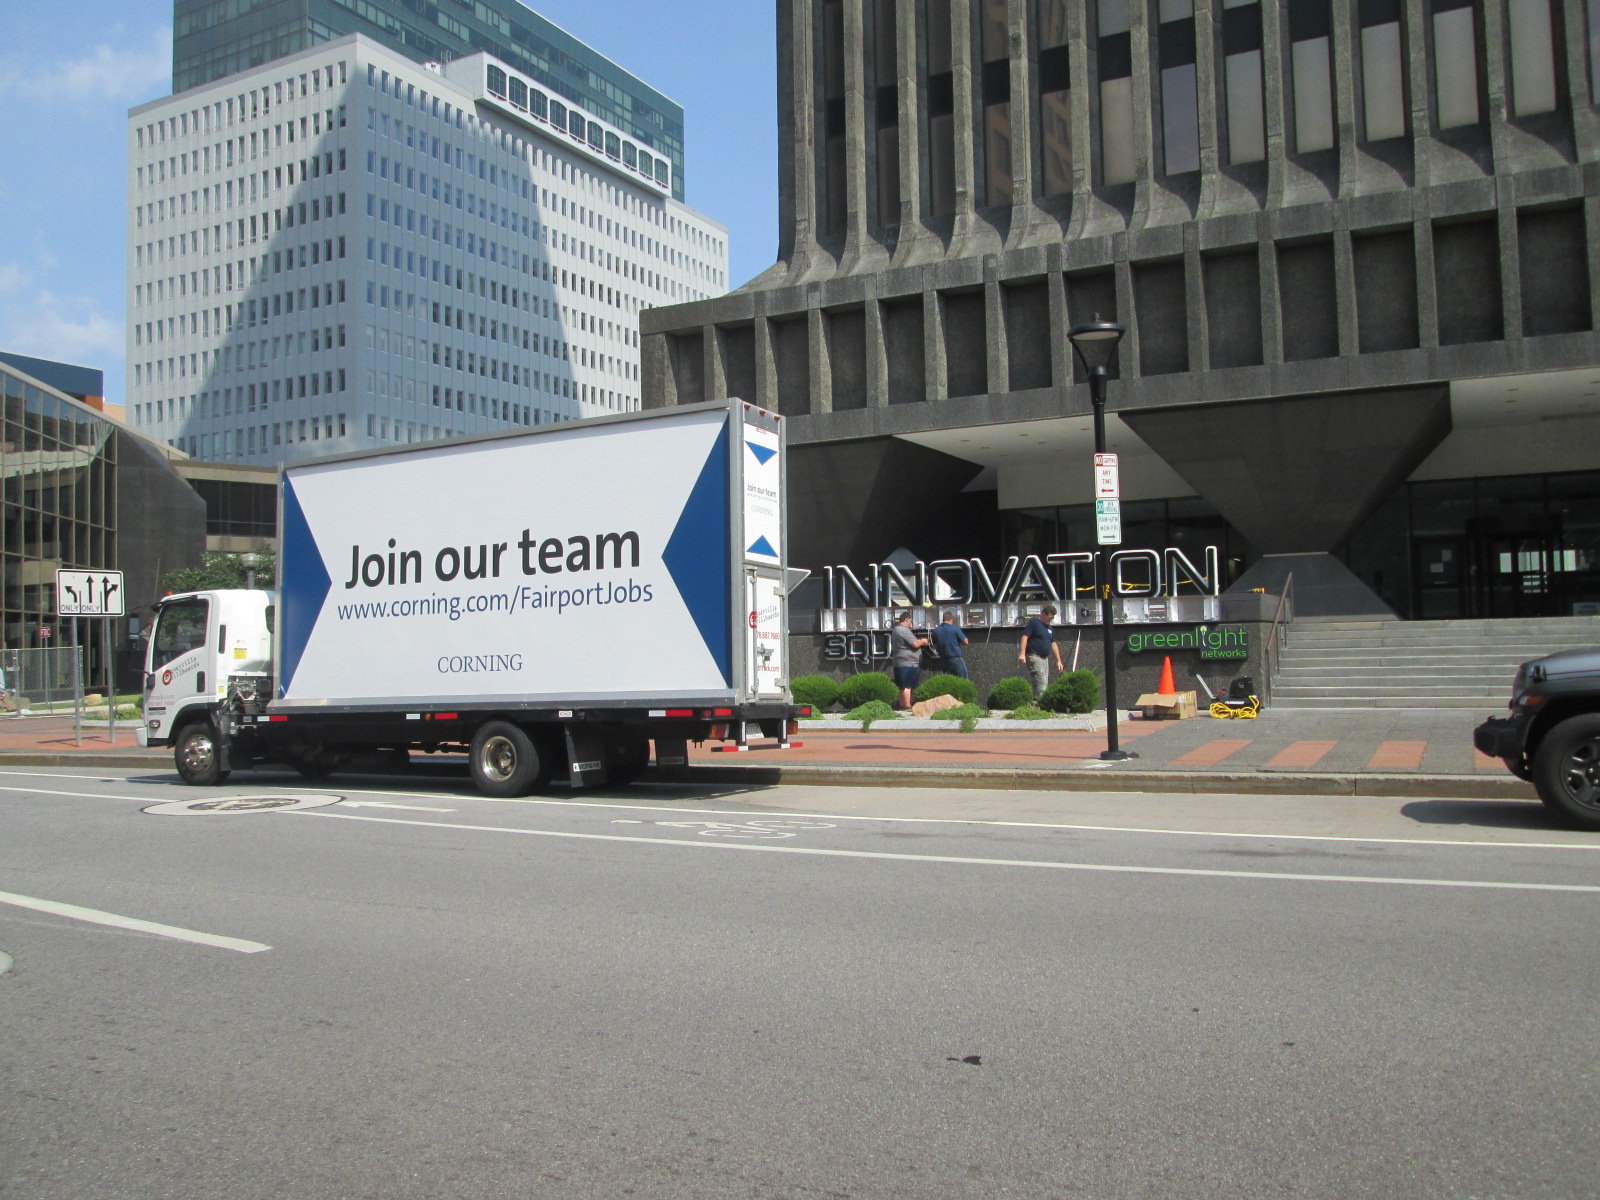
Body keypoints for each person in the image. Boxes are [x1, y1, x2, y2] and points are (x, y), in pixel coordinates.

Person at [1019, 605, 1064, 699]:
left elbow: (1053, 644)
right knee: (1040, 682)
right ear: (1043, 614)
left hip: (1044, 659)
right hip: (1035, 657)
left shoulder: (1050, 629)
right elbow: (1025, 637)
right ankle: (1038, 706)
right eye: (1049, 617)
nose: (1050, 619)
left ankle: (1041, 704)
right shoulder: (1034, 623)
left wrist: (1058, 660)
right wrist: (1022, 654)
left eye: (1052, 618)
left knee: (1044, 682)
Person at [890, 611, 929, 709]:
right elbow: (915, 644)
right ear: (907, 620)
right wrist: (923, 641)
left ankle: (902, 705)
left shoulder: (895, 630)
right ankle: (907, 706)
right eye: (911, 621)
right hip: (908, 663)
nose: (911, 623)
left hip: (899, 661)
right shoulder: (904, 630)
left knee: (901, 686)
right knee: (908, 686)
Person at [928, 610, 970, 679]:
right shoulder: (955, 629)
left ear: (943, 619)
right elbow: (966, 642)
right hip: (956, 659)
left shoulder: (936, 630)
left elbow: (934, 646)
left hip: (944, 660)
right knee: (963, 682)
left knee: (949, 682)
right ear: (952, 620)